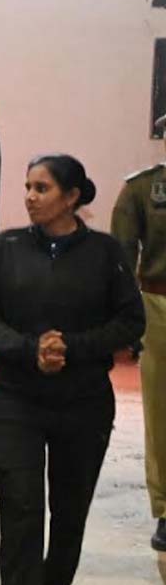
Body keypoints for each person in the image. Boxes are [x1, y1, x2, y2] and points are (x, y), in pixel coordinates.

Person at [0, 154, 144, 585]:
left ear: (71, 197)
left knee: (70, 505)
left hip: (83, 402)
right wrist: (29, 349)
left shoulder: (105, 253)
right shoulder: (5, 249)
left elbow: (131, 320)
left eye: (41, 188)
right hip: (15, 400)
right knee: (20, 505)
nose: (29, 196)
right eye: (27, 186)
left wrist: (72, 348)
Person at [110, 120, 166, 552]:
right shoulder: (143, 190)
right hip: (159, 305)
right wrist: (123, 323)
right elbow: (121, 260)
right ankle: (165, 507)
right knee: (161, 409)